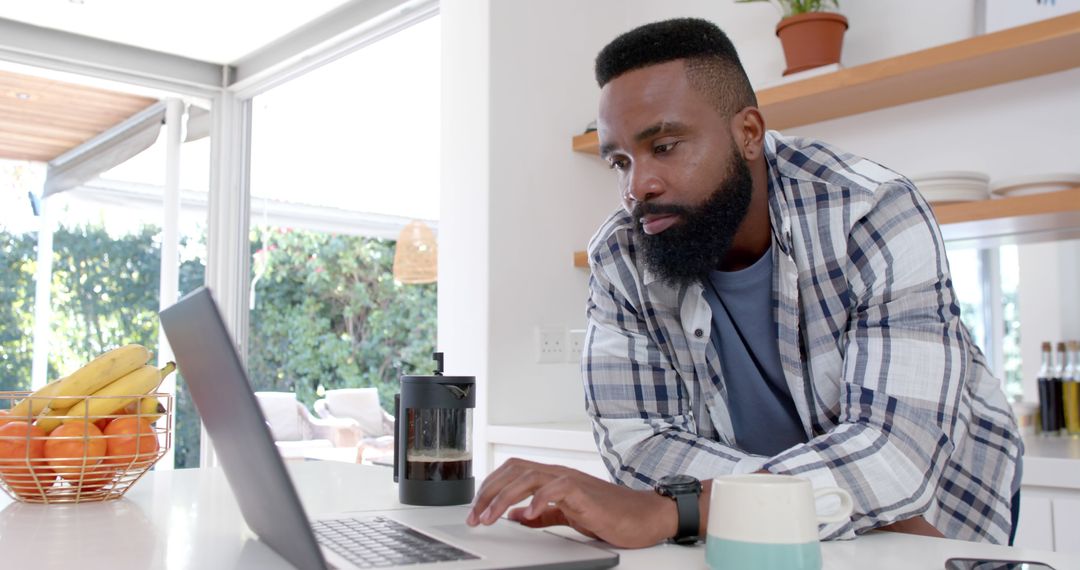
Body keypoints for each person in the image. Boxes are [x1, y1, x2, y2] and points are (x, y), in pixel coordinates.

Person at [466, 17, 1023, 548]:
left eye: (663, 147)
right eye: (620, 162)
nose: (639, 186)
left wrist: (678, 508)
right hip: (824, 525)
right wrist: (818, 502)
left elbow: (893, 457)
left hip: (939, 520)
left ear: (749, 133)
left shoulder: (871, 212)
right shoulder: (621, 256)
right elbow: (640, 441)